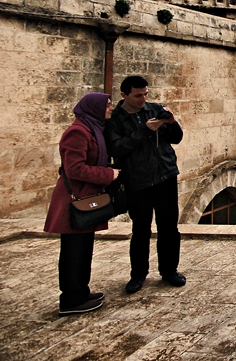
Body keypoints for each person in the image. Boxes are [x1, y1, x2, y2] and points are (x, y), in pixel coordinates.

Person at [105, 75, 185, 294]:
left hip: (165, 176)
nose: (143, 99)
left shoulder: (154, 109)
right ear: (124, 95)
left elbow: (176, 138)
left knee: (169, 226)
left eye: (145, 94)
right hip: (137, 180)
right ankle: (138, 274)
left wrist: (171, 122)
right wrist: (144, 131)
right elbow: (116, 149)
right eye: (138, 95)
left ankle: (169, 270)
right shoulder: (116, 119)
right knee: (140, 229)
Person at [44, 93, 120, 315]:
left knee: (83, 248)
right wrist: (108, 175)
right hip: (74, 199)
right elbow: (74, 168)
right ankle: (71, 300)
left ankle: (80, 292)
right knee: (73, 251)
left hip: (84, 196)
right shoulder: (77, 132)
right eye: (107, 105)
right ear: (94, 108)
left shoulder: (91, 128)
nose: (111, 108)